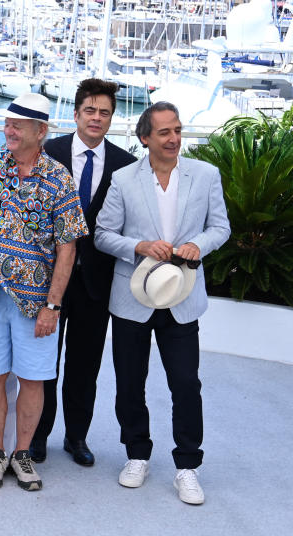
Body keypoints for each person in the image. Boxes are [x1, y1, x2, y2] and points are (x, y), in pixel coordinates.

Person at [95, 102, 230, 505]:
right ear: (144, 139)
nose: (174, 139)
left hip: (182, 295)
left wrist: (197, 245)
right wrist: (138, 245)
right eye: (165, 132)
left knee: (186, 383)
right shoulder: (123, 179)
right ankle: (137, 455)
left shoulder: (205, 175)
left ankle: (187, 466)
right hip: (132, 296)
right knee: (129, 384)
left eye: (178, 130)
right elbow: (102, 233)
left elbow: (220, 227)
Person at [0, 93, 87, 492]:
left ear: (41, 131)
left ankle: (22, 454)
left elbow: (67, 246)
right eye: (7, 124)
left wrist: (53, 305)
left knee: (32, 379)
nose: (9, 131)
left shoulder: (59, 179)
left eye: (18, 126)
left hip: (36, 303)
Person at [32, 79, 137, 466]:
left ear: (112, 118)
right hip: (47, 280)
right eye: (90, 110)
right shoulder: (49, 152)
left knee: (85, 364)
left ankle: (77, 438)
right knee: (44, 362)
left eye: (104, 112)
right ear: (76, 114)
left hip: (97, 282)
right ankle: (37, 436)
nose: (96, 118)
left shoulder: (126, 165)